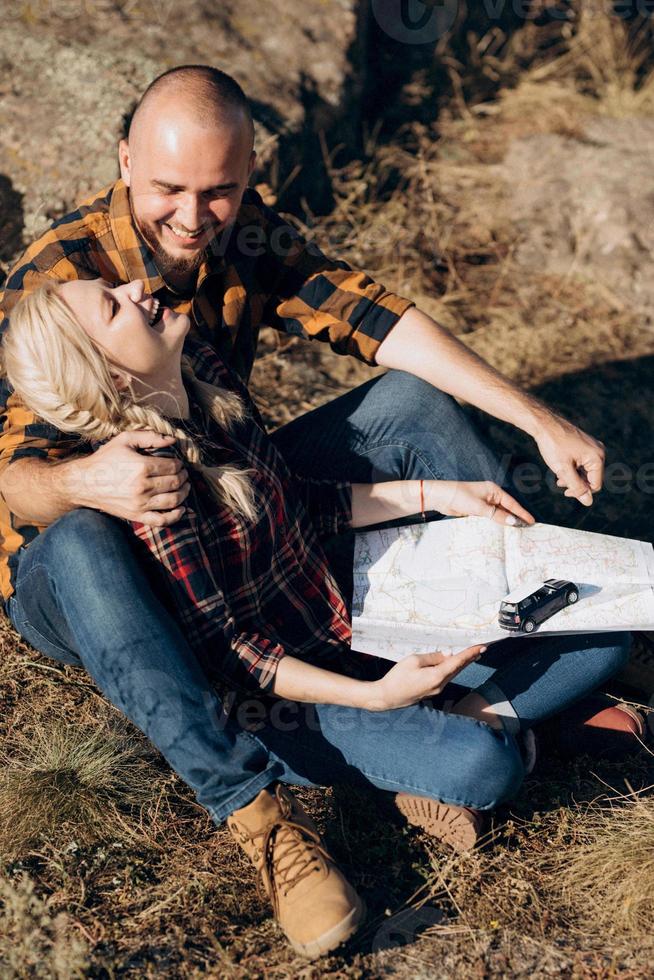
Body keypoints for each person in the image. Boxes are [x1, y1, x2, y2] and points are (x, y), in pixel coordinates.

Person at [1, 276, 632, 958]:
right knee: (482, 769)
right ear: (113, 379)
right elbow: (242, 654)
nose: (137, 287)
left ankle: (468, 712)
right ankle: (453, 733)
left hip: (346, 622)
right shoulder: (153, 484)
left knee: (603, 631)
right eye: (113, 306)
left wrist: (441, 494)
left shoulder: (202, 375)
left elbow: (299, 499)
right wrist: (375, 696)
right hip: (288, 700)